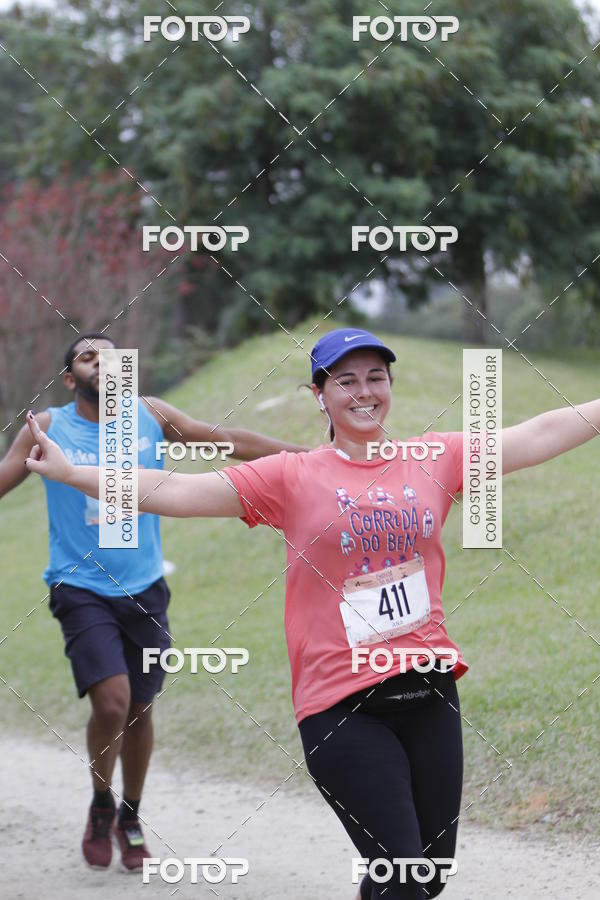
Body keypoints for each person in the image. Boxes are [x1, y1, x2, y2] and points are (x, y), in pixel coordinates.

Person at [22, 327, 600, 897]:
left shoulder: (433, 458)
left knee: (426, 876)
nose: (364, 391)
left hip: (429, 694)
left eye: (376, 377)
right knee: (403, 878)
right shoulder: (292, 476)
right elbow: (174, 489)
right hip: (341, 706)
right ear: (319, 395)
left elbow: (538, 432)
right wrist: (72, 473)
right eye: (345, 381)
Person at [0, 332, 307, 874]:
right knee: (112, 703)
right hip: (79, 587)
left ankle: (130, 814)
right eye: (89, 356)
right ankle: (101, 803)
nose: (105, 362)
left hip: (145, 588)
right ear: (72, 379)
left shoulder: (151, 415)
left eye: (112, 354)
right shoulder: (47, 428)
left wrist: (310, 458)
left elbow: (226, 439)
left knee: (141, 708)